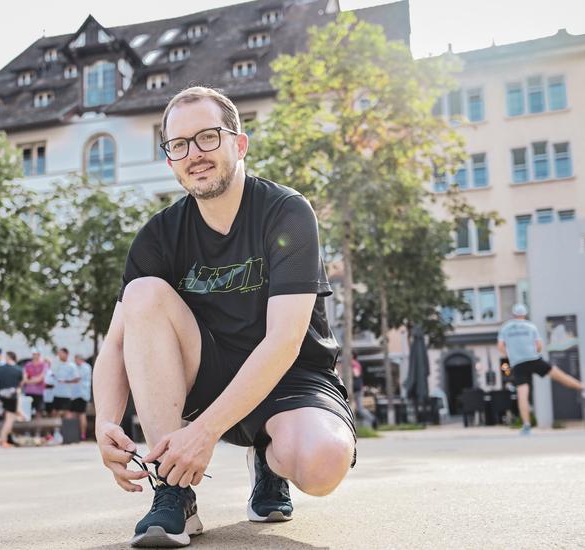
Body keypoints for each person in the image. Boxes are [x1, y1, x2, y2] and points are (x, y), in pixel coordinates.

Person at [93, 86, 357, 548]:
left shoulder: (287, 213)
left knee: (323, 464)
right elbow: (117, 342)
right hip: (208, 373)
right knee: (143, 294)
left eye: (208, 137)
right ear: (170, 160)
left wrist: (205, 433)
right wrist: (105, 422)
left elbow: (284, 342)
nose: (194, 153)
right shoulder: (158, 236)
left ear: (240, 143)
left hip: (290, 376)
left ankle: (268, 460)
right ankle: (173, 488)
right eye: (179, 145)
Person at [498, 304, 585, 436]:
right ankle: (583, 387)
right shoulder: (531, 326)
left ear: (513, 315)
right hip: (534, 359)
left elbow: (501, 347)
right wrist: (532, 352)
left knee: (522, 395)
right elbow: (539, 346)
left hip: (518, 363)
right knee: (560, 376)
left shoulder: (505, 328)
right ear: (525, 314)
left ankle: (526, 426)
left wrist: (511, 355)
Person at [0, 351, 25, 448]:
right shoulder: (18, 369)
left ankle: (5, 439)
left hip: (1, 395)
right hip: (12, 395)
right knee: (10, 419)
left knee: (7, 417)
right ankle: (1, 440)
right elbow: (21, 383)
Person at [23, 349, 49, 436]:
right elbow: (25, 378)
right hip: (29, 392)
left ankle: (37, 432)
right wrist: (34, 380)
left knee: (39, 413)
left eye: (37, 354)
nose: (35, 356)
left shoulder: (43, 365)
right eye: (34, 354)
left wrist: (31, 380)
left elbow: (41, 378)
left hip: (39, 393)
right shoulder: (28, 365)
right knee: (27, 414)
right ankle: (27, 432)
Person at [351, 353, 375, 428]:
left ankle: (372, 419)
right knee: (358, 408)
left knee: (360, 408)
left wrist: (350, 369)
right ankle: (370, 422)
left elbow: (356, 374)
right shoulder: (355, 364)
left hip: (357, 389)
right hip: (356, 389)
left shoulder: (354, 364)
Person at [73, 354, 93, 441]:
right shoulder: (81, 367)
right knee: (77, 414)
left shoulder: (85, 367)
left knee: (81, 414)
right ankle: (78, 434)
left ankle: (82, 434)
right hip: (77, 395)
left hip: (82, 395)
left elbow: (76, 378)